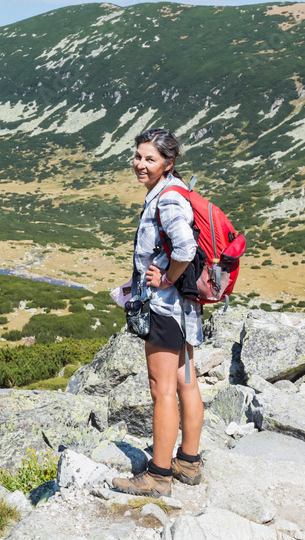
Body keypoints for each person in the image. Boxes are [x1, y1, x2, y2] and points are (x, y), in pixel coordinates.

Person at [111, 127, 204, 498]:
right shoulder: (175, 191)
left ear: (169, 162)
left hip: (166, 308)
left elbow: (186, 246)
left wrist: (166, 277)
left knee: (161, 389)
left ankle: (159, 475)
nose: (140, 164)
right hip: (184, 308)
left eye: (150, 159)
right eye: (138, 156)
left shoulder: (166, 199)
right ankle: (189, 462)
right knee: (185, 382)